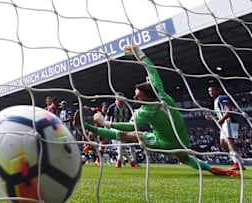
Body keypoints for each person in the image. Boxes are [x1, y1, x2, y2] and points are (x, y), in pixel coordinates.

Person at [74, 45, 239, 177]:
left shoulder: (145, 112)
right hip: (183, 139)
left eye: (138, 96)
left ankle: (88, 127)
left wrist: (105, 123)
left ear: (146, 98)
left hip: (165, 144)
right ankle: (213, 169)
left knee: (129, 137)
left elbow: (131, 128)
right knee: (184, 158)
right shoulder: (161, 94)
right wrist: (140, 53)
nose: (135, 97)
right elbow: (152, 70)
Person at [206, 86, 245, 170]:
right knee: (223, 144)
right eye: (210, 91)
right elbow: (221, 114)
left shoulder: (222, 98)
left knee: (229, 141)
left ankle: (237, 164)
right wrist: (214, 118)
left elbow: (228, 109)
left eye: (213, 90)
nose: (211, 92)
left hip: (229, 121)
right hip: (224, 123)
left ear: (217, 90)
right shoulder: (215, 101)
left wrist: (222, 120)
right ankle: (237, 161)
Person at [106, 92, 139, 168]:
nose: (120, 100)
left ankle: (120, 162)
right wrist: (106, 131)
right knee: (121, 147)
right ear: (116, 99)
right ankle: (131, 162)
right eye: (119, 99)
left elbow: (131, 119)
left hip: (124, 129)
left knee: (121, 146)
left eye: (121, 99)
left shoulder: (127, 108)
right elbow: (106, 119)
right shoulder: (112, 107)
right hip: (113, 129)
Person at [83, 102, 109, 166]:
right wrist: (86, 108)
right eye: (105, 107)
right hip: (96, 129)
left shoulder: (108, 114)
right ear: (102, 107)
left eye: (107, 107)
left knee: (103, 144)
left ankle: (98, 160)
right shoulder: (98, 110)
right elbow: (92, 109)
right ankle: (88, 153)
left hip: (103, 131)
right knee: (88, 135)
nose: (106, 108)